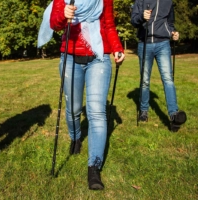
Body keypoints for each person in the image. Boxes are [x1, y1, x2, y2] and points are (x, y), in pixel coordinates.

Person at [38, 0, 125, 190]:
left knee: (97, 112)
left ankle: (94, 166)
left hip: (99, 57)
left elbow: (109, 24)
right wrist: (64, 15)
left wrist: (117, 47)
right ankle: (76, 137)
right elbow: (54, 23)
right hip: (70, 58)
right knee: (73, 109)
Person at [131, 0, 187, 132]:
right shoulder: (140, 1)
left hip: (163, 44)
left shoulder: (168, 2)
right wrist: (141, 17)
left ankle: (173, 115)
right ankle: (143, 111)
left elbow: (170, 22)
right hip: (145, 43)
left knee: (168, 79)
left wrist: (173, 32)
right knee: (145, 81)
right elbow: (133, 20)